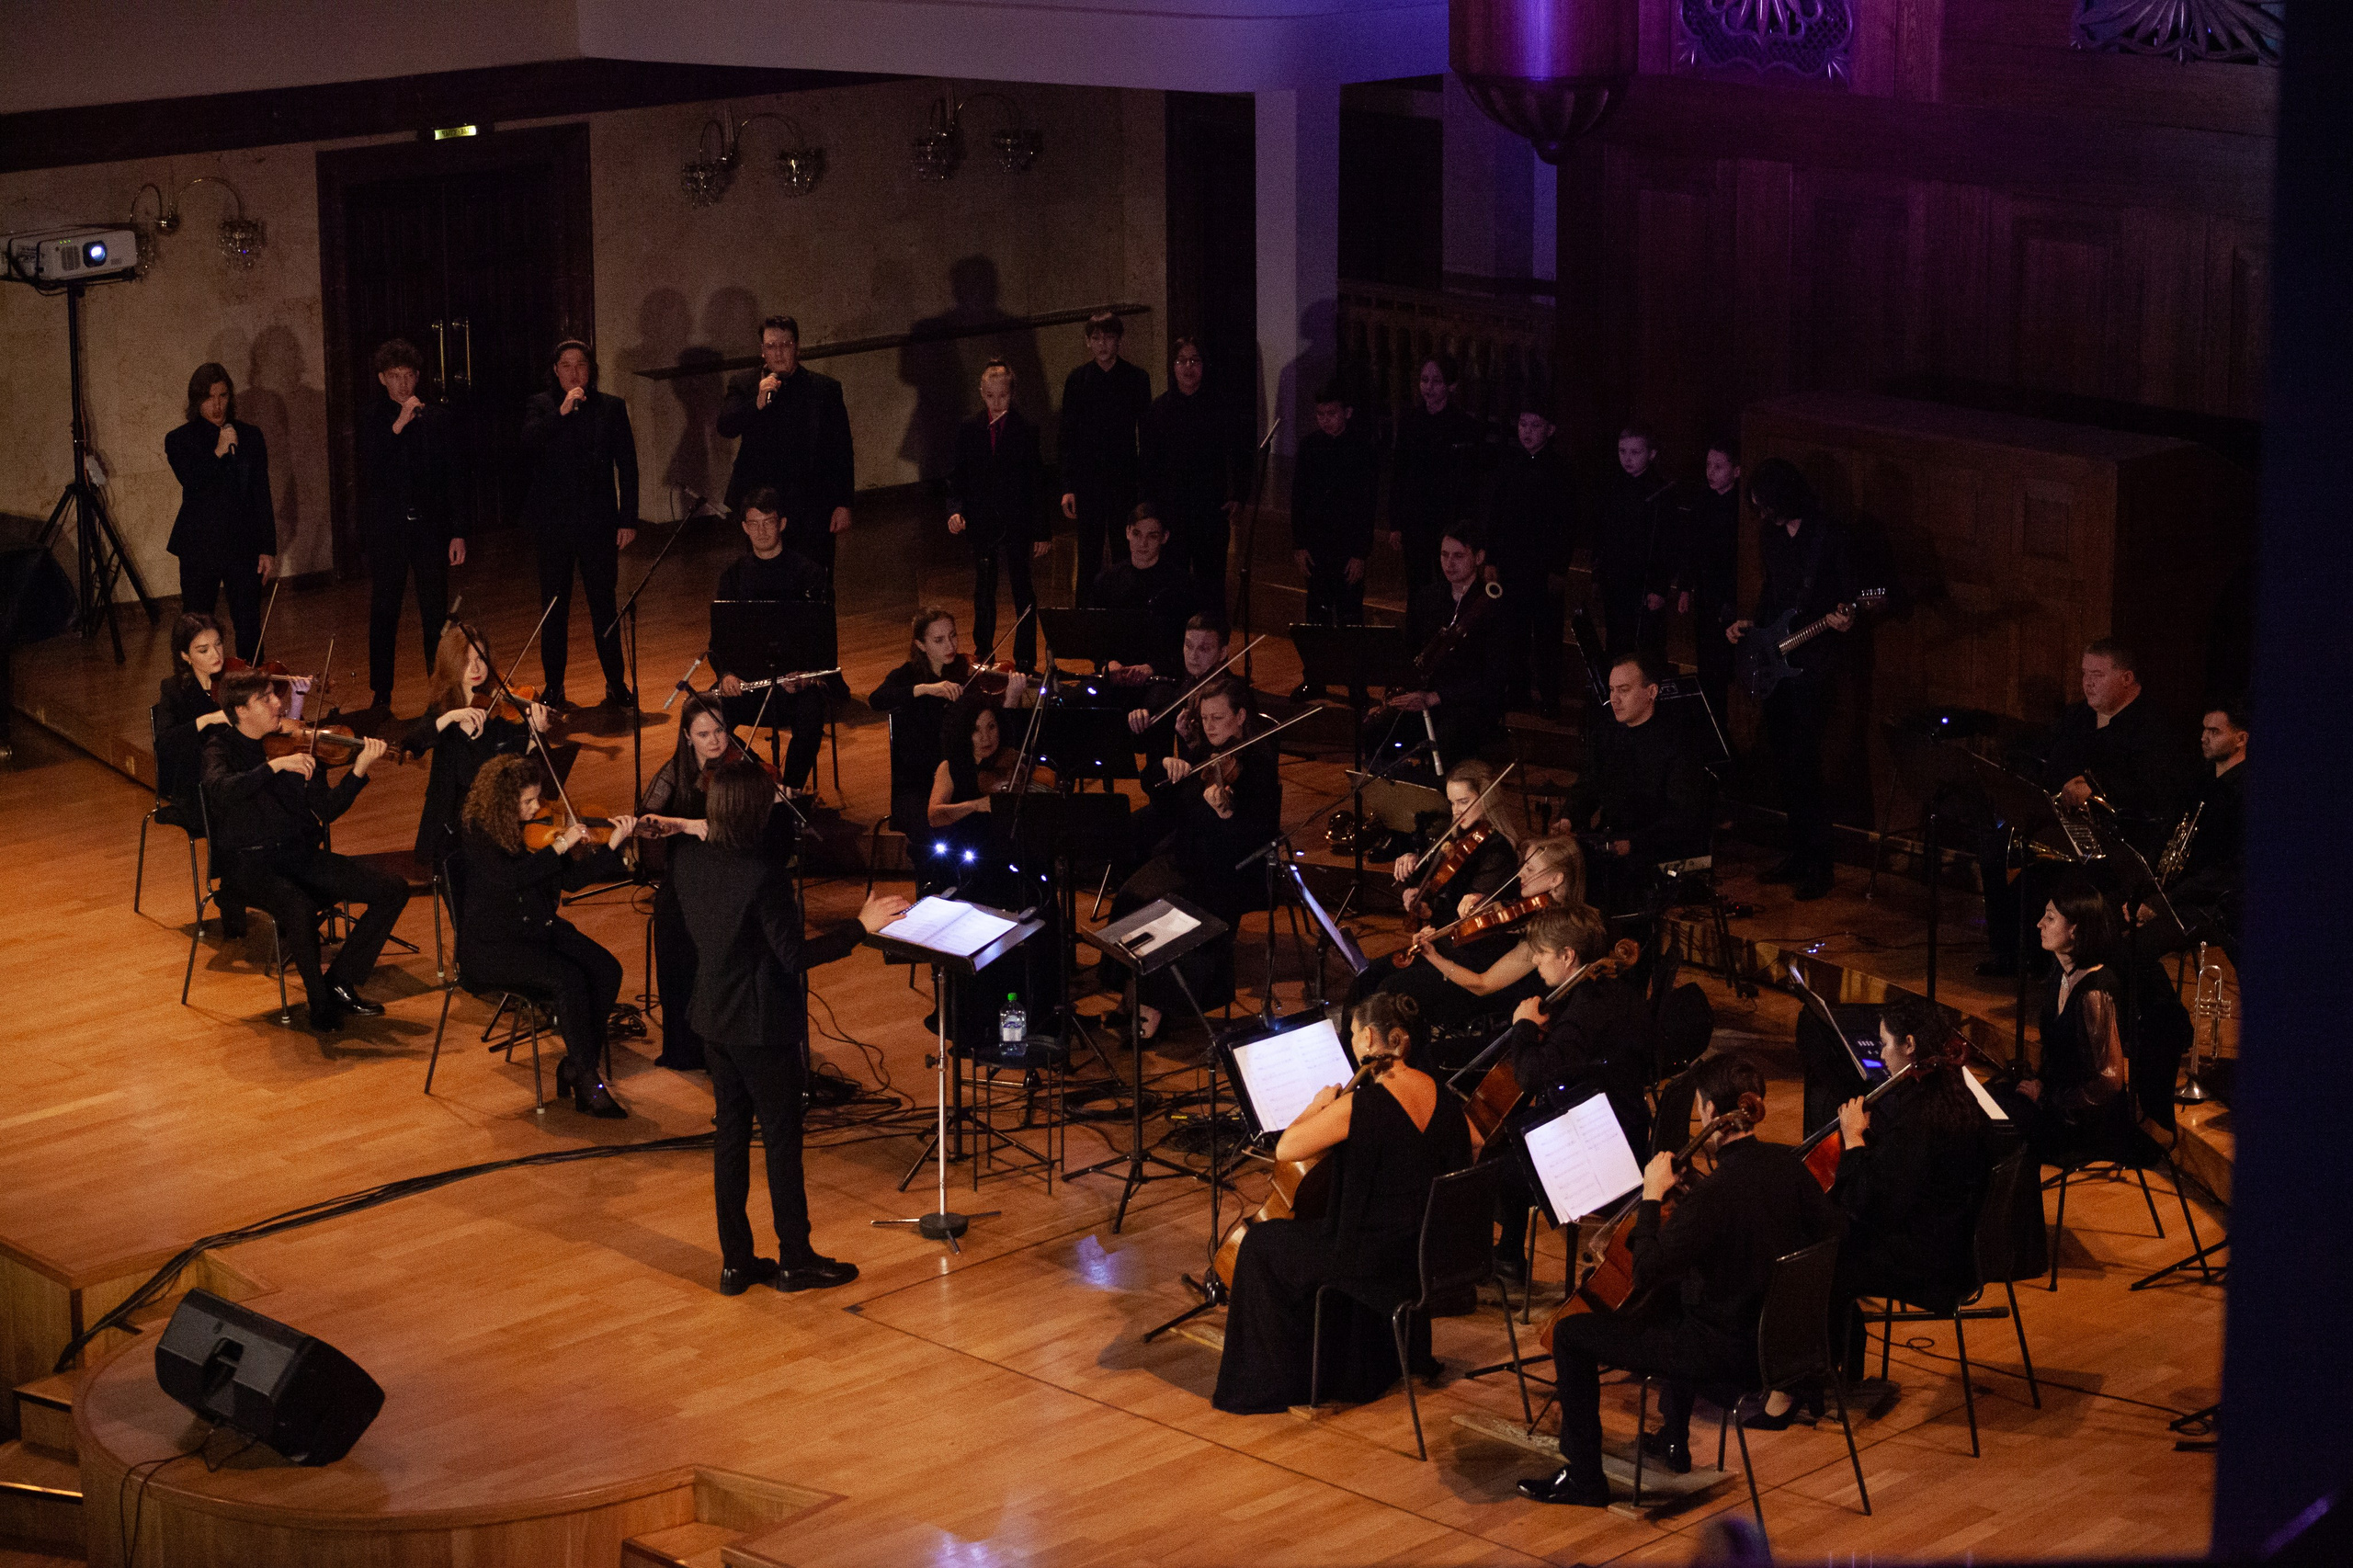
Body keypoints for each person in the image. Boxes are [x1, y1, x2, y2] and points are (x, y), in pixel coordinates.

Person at [1518, 1052, 1841, 1506]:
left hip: (1721, 1356)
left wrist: (1652, 1197)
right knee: (1678, 1294)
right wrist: (1692, 1194)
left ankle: (1585, 1479)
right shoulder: (1788, 1165)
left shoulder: (1716, 1196)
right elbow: (1830, 1234)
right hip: (1781, 1351)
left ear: (1710, 1111)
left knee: (1573, 1334)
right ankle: (1673, 1432)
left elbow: (1647, 1270)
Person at [669, 760, 907, 1293]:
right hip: (758, 1025)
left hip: (711, 1015)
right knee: (780, 1139)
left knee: (730, 1135)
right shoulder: (762, 877)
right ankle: (795, 1259)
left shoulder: (687, 858)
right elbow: (795, 956)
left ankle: (735, 1262)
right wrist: (860, 927)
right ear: (754, 811)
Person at [1212, 991, 1474, 1415]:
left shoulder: (1360, 1105)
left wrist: (1315, 1109)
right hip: (1429, 1256)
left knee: (1261, 1244)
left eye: (1352, 1035)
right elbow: (1473, 1144)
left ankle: (1275, 1383)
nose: (1352, 1045)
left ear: (1370, 1038)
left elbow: (1287, 1150)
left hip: (1373, 1262)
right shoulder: (1440, 1093)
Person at [200, 671, 406, 1031]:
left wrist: (357, 772)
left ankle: (340, 980)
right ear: (240, 710)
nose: (278, 702)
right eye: (265, 698)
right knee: (297, 905)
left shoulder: (297, 744)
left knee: (393, 889)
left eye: (273, 695)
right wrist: (273, 767)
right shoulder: (221, 748)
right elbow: (221, 789)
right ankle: (319, 1004)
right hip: (248, 866)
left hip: (296, 855)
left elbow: (327, 810)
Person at [1978, 640, 2188, 976]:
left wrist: (2096, 787)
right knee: (1996, 849)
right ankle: (2013, 953)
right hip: (2065, 824)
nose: (2088, 682)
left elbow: (2156, 789)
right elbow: (2044, 757)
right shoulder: (2078, 715)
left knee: (2064, 874)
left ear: (2126, 678)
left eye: (2098, 674)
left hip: (2117, 835)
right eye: (2084, 674)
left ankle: (2058, 963)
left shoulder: (2154, 726)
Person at [456, 756, 642, 1116]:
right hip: (493, 945)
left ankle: (576, 1064)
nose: (537, 807)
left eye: (537, 798)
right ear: (502, 803)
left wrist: (613, 845)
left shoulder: (537, 834)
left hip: (537, 929)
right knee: (567, 978)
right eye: (527, 801)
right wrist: (559, 846)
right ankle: (588, 1080)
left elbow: (570, 881)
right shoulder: (477, 833)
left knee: (606, 968)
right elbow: (512, 878)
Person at [1824, 997, 1993, 1387]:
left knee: (1827, 1261)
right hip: (1956, 1245)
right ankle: (1843, 1372)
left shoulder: (1919, 1118)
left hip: (1932, 1264)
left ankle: (1821, 1376)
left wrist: (1854, 1141)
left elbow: (1875, 1204)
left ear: (1911, 1045)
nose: (1880, 1056)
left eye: (1885, 1044)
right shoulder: (1955, 1091)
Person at [1487, 905, 1659, 1286]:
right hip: (1630, 1134)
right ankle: (1508, 1256)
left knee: (1494, 1165)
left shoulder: (1585, 1011)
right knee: (1515, 1140)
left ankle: (1507, 1257)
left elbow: (1531, 1075)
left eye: (1542, 953)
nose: (1534, 960)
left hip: (1601, 1157)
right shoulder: (1621, 995)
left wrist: (1524, 1029)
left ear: (1568, 956)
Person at [1113, 679, 1279, 1040]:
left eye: (1218, 717)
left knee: (1168, 912)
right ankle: (1131, 991)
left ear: (1240, 717)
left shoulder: (1258, 764)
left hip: (1231, 870)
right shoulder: (1201, 753)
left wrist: (1227, 816)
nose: (1210, 726)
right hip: (1187, 856)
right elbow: (1163, 802)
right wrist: (1164, 767)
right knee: (1130, 895)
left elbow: (1259, 834)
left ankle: (1154, 1006)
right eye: (1205, 718)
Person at [1726, 459, 1857, 903]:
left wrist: (1846, 616)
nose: (1765, 516)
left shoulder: (1831, 535)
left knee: (1807, 763)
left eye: (1769, 507)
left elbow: (1859, 593)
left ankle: (1820, 865)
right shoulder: (1771, 537)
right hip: (1776, 660)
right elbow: (1772, 594)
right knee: (1783, 761)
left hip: (1815, 662)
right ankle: (1797, 855)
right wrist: (1751, 629)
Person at [1361, 835, 1586, 1036]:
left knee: (1390, 991)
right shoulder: (1524, 903)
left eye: (1530, 870)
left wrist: (1434, 957)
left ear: (1556, 879)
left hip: (1480, 994)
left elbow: (1483, 985)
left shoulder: (1550, 930)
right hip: (1462, 965)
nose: (1520, 875)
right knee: (1370, 975)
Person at [635, 692, 755, 1073]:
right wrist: (688, 825)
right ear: (687, 737)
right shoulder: (674, 774)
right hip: (687, 880)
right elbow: (644, 824)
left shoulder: (742, 766)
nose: (716, 741)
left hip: (731, 879)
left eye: (720, 730)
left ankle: (729, 1039)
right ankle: (685, 1047)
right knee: (672, 928)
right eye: (704, 734)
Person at [521, 339, 639, 710]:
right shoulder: (541, 406)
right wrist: (562, 411)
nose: (575, 372)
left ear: (591, 369)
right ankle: (554, 685)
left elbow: (628, 467)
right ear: (556, 370)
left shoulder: (611, 408)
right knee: (554, 607)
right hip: (553, 526)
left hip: (599, 524)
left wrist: (628, 519)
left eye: (581, 365)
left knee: (604, 604)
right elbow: (528, 445)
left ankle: (615, 683)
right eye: (567, 365)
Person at [356, 337, 462, 716]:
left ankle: (439, 693)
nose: (402, 384)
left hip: (429, 532)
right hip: (389, 533)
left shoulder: (436, 418)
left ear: (417, 377)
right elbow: (370, 470)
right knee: (385, 612)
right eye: (394, 376)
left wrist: (457, 531)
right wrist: (398, 425)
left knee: (435, 614)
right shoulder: (372, 418)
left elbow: (451, 479)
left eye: (408, 376)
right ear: (382, 378)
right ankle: (381, 694)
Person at [1563, 652, 1713, 917]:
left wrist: (1634, 843)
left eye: (1624, 690)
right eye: (1611, 690)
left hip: (1655, 849)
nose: (1614, 700)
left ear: (1651, 692)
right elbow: (1587, 786)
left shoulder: (1677, 741)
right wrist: (1568, 818)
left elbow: (1685, 816)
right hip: (1613, 840)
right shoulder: (1605, 733)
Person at [402, 619, 551, 882]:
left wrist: (535, 736)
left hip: (496, 826)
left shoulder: (504, 708)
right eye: (466, 661)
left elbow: (518, 773)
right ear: (451, 664)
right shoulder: (443, 709)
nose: (476, 668)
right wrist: (451, 719)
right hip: (452, 831)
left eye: (481, 658)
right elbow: (410, 745)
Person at [710, 488, 831, 795]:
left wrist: (805, 677)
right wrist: (725, 675)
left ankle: (790, 793)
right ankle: (761, 778)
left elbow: (822, 642)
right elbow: (719, 643)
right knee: (706, 713)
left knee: (812, 713)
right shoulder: (732, 578)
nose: (761, 530)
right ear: (744, 527)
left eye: (768, 522)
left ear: (783, 524)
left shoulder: (810, 574)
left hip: (792, 689)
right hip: (749, 687)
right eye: (754, 523)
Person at [870, 607, 1029, 840]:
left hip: (964, 775)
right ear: (921, 645)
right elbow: (877, 699)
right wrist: (926, 689)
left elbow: (992, 728)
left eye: (953, 635)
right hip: (920, 781)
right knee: (945, 832)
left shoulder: (966, 672)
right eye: (939, 640)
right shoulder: (907, 675)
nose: (951, 646)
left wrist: (1012, 697)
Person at [717, 314, 854, 582]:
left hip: (812, 504)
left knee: (815, 578)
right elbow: (725, 427)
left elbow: (842, 449)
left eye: (785, 345)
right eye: (771, 346)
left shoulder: (825, 389)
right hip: (763, 506)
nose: (778, 353)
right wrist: (755, 403)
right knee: (765, 579)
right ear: (762, 351)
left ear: (797, 348)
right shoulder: (745, 384)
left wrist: (843, 503)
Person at [946, 359, 1051, 674]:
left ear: (1012, 394)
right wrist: (955, 510)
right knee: (984, 589)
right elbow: (957, 476)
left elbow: (1036, 483)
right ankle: (983, 651)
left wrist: (1042, 531)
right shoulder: (970, 428)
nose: (996, 403)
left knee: (1022, 588)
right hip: (982, 523)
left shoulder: (1025, 429)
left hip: (1016, 523)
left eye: (1002, 396)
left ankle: (1025, 658)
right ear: (982, 393)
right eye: (990, 396)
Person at [2015, 877, 2130, 1164]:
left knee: (2001, 1129)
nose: (2039, 924)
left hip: (2082, 1122)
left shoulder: (2095, 991)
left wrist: (2049, 1099)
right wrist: (2041, 1085)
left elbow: (2109, 1081)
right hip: (2057, 1102)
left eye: (2050, 918)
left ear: (2075, 929)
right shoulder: (2060, 972)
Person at [164, 362, 274, 659]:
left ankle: (252, 693)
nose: (217, 405)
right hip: (200, 545)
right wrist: (218, 452)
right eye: (209, 397)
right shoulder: (179, 440)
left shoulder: (250, 436)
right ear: (197, 401)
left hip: (242, 544)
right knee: (198, 627)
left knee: (249, 625)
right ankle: (198, 695)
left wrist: (267, 548)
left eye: (223, 396)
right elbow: (193, 481)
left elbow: (261, 493)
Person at [1381, 526, 1511, 771]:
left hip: (1470, 705)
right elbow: (1409, 651)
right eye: (1444, 555)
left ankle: (1440, 800)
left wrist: (1436, 697)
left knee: (1447, 739)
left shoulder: (1494, 607)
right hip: (1426, 698)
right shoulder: (1427, 598)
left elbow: (1494, 679)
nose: (1449, 563)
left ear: (1479, 558)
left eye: (1458, 556)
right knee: (1378, 730)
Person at [1483, 400, 1576, 716]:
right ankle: (1518, 692)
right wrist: (1491, 560)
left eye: (1535, 425)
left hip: (1544, 568)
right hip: (1511, 565)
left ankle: (1550, 698)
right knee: (1514, 633)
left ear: (1550, 430)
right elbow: (1493, 516)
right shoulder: (1507, 465)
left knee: (1548, 636)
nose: (1527, 432)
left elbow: (1567, 525)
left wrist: (1559, 568)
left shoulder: (1560, 471)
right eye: (1522, 424)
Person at [1289, 382, 1378, 697]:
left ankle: (1357, 685)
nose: (1325, 419)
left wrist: (1360, 553)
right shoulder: (1310, 447)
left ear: (1347, 413)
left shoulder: (1362, 448)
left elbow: (1368, 505)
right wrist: (1299, 544)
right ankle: (1316, 677)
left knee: (1352, 618)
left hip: (1348, 548)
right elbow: (1298, 498)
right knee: (1316, 617)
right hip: (1317, 547)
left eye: (1332, 413)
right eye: (1320, 414)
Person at [157, 613, 244, 931]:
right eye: (203, 650)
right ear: (184, 655)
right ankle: (233, 892)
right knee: (234, 808)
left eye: (218, 644)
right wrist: (206, 720)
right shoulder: (174, 691)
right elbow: (164, 742)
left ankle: (260, 885)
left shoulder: (235, 682)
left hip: (233, 780)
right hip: (195, 788)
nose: (216, 655)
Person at [1059, 311, 1153, 599]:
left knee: (1125, 550)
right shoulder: (1077, 380)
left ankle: (1126, 613)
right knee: (1088, 553)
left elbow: (1146, 435)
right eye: (1096, 338)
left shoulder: (1136, 378)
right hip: (1089, 481)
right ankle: (1085, 618)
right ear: (1088, 342)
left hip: (1124, 477)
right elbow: (1067, 436)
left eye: (1109, 338)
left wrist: (1143, 484)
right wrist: (1068, 487)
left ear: (1119, 341)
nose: (1102, 345)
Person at [1141, 336, 1241, 599]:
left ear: (1204, 365)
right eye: (1181, 360)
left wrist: (1238, 494)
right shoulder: (1158, 410)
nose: (1188, 366)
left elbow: (1239, 454)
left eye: (1195, 360)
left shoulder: (1220, 407)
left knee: (1212, 586)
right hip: (1171, 513)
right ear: (1172, 367)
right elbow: (1148, 465)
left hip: (1210, 510)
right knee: (1173, 587)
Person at [1387, 357, 1484, 595]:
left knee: (1447, 586)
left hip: (1447, 520)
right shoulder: (1410, 422)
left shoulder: (1465, 427)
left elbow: (1472, 482)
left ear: (1451, 386)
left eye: (1437, 381)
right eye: (1424, 380)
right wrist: (1396, 523)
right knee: (1417, 586)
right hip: (1416, 520)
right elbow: (1399, 474)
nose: (1428, 387)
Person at [1392, 758, 1524, 930]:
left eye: (1464, 802)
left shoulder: (1498, 849)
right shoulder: (1459, 835)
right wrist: (1411, 866)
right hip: (1440, 931)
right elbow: (1431, 879)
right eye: (1452, 803)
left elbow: (1466, 917)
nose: (1456, 811)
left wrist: (1432, 912)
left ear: (1486, 798)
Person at [1592, 424, 1680, 660]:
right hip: (1615, 580)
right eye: (1622, 451)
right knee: (1615, 643)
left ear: (1651, 454)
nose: (1627, 458)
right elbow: (1602, 532)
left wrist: (1660, 587)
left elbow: (1668, 545)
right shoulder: (1612, 485)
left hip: (1644, 584)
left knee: (1643, 649)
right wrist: (1598, 571)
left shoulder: (1661, 492)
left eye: (1635, 452)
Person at [2169, 698, 2249, 952]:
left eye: (2214, 731)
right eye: (2204, 729)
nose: (2204, 737)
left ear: (2241, 739)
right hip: (2182, 894)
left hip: (2211, 906)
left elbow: (2229, 870)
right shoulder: (2201, 783)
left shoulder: (2247, 793)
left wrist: (2169, 900)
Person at [1091, 506, 1207, 678]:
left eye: (1152, 536)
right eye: (1137, 534)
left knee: (1158, 702)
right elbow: (1095, 636)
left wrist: (1153, 667)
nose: (1143, 543)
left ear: (1164, 537)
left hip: (1161, 678)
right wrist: (1107, 664)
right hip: (1115, 675)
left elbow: (1189, 643)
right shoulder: (1106, 580)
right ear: (1128, 532)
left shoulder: (1182, 583)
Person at [1677, 437, 1744, 731]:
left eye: (1719, 466)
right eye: (1708, 465)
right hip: (1705, 593)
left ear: (1737, 471)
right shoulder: (1703, 500)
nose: (1711, 472)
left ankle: (1725, 726)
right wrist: (1684, 588)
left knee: (1724, 665)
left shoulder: (1742, 507)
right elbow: (1690, 547)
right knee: (1705, 661)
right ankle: (1707, 722)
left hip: (1729, 595)